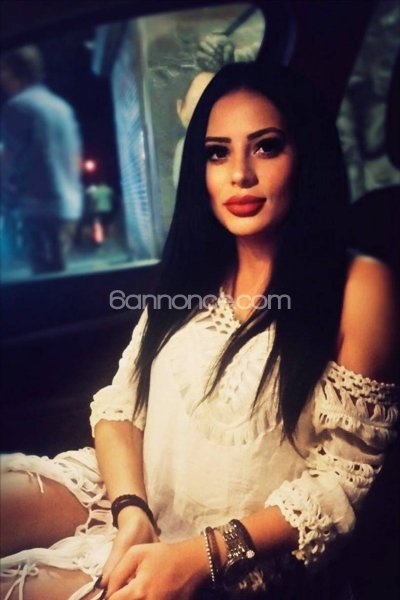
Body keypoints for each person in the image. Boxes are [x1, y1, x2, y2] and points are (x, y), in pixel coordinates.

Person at [1, 62, 399, 600]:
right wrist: (131, 510)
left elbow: (343, 481)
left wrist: (200, 556)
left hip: (230, 553)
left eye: (266, 147)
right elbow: (121, 405)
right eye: (217, 153)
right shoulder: (194, 270)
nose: (240, 174)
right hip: (128, 492)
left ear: (305, 154)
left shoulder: (361, 285)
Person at [0, 45, 83, 274]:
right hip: (69, 205)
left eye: (3, 69)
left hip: (38, 207)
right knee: (59, 272)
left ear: (15, 71)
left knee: (43, 278)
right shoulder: (61, 106)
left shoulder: (17, 107)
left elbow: (8, 159)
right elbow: (75, 158)